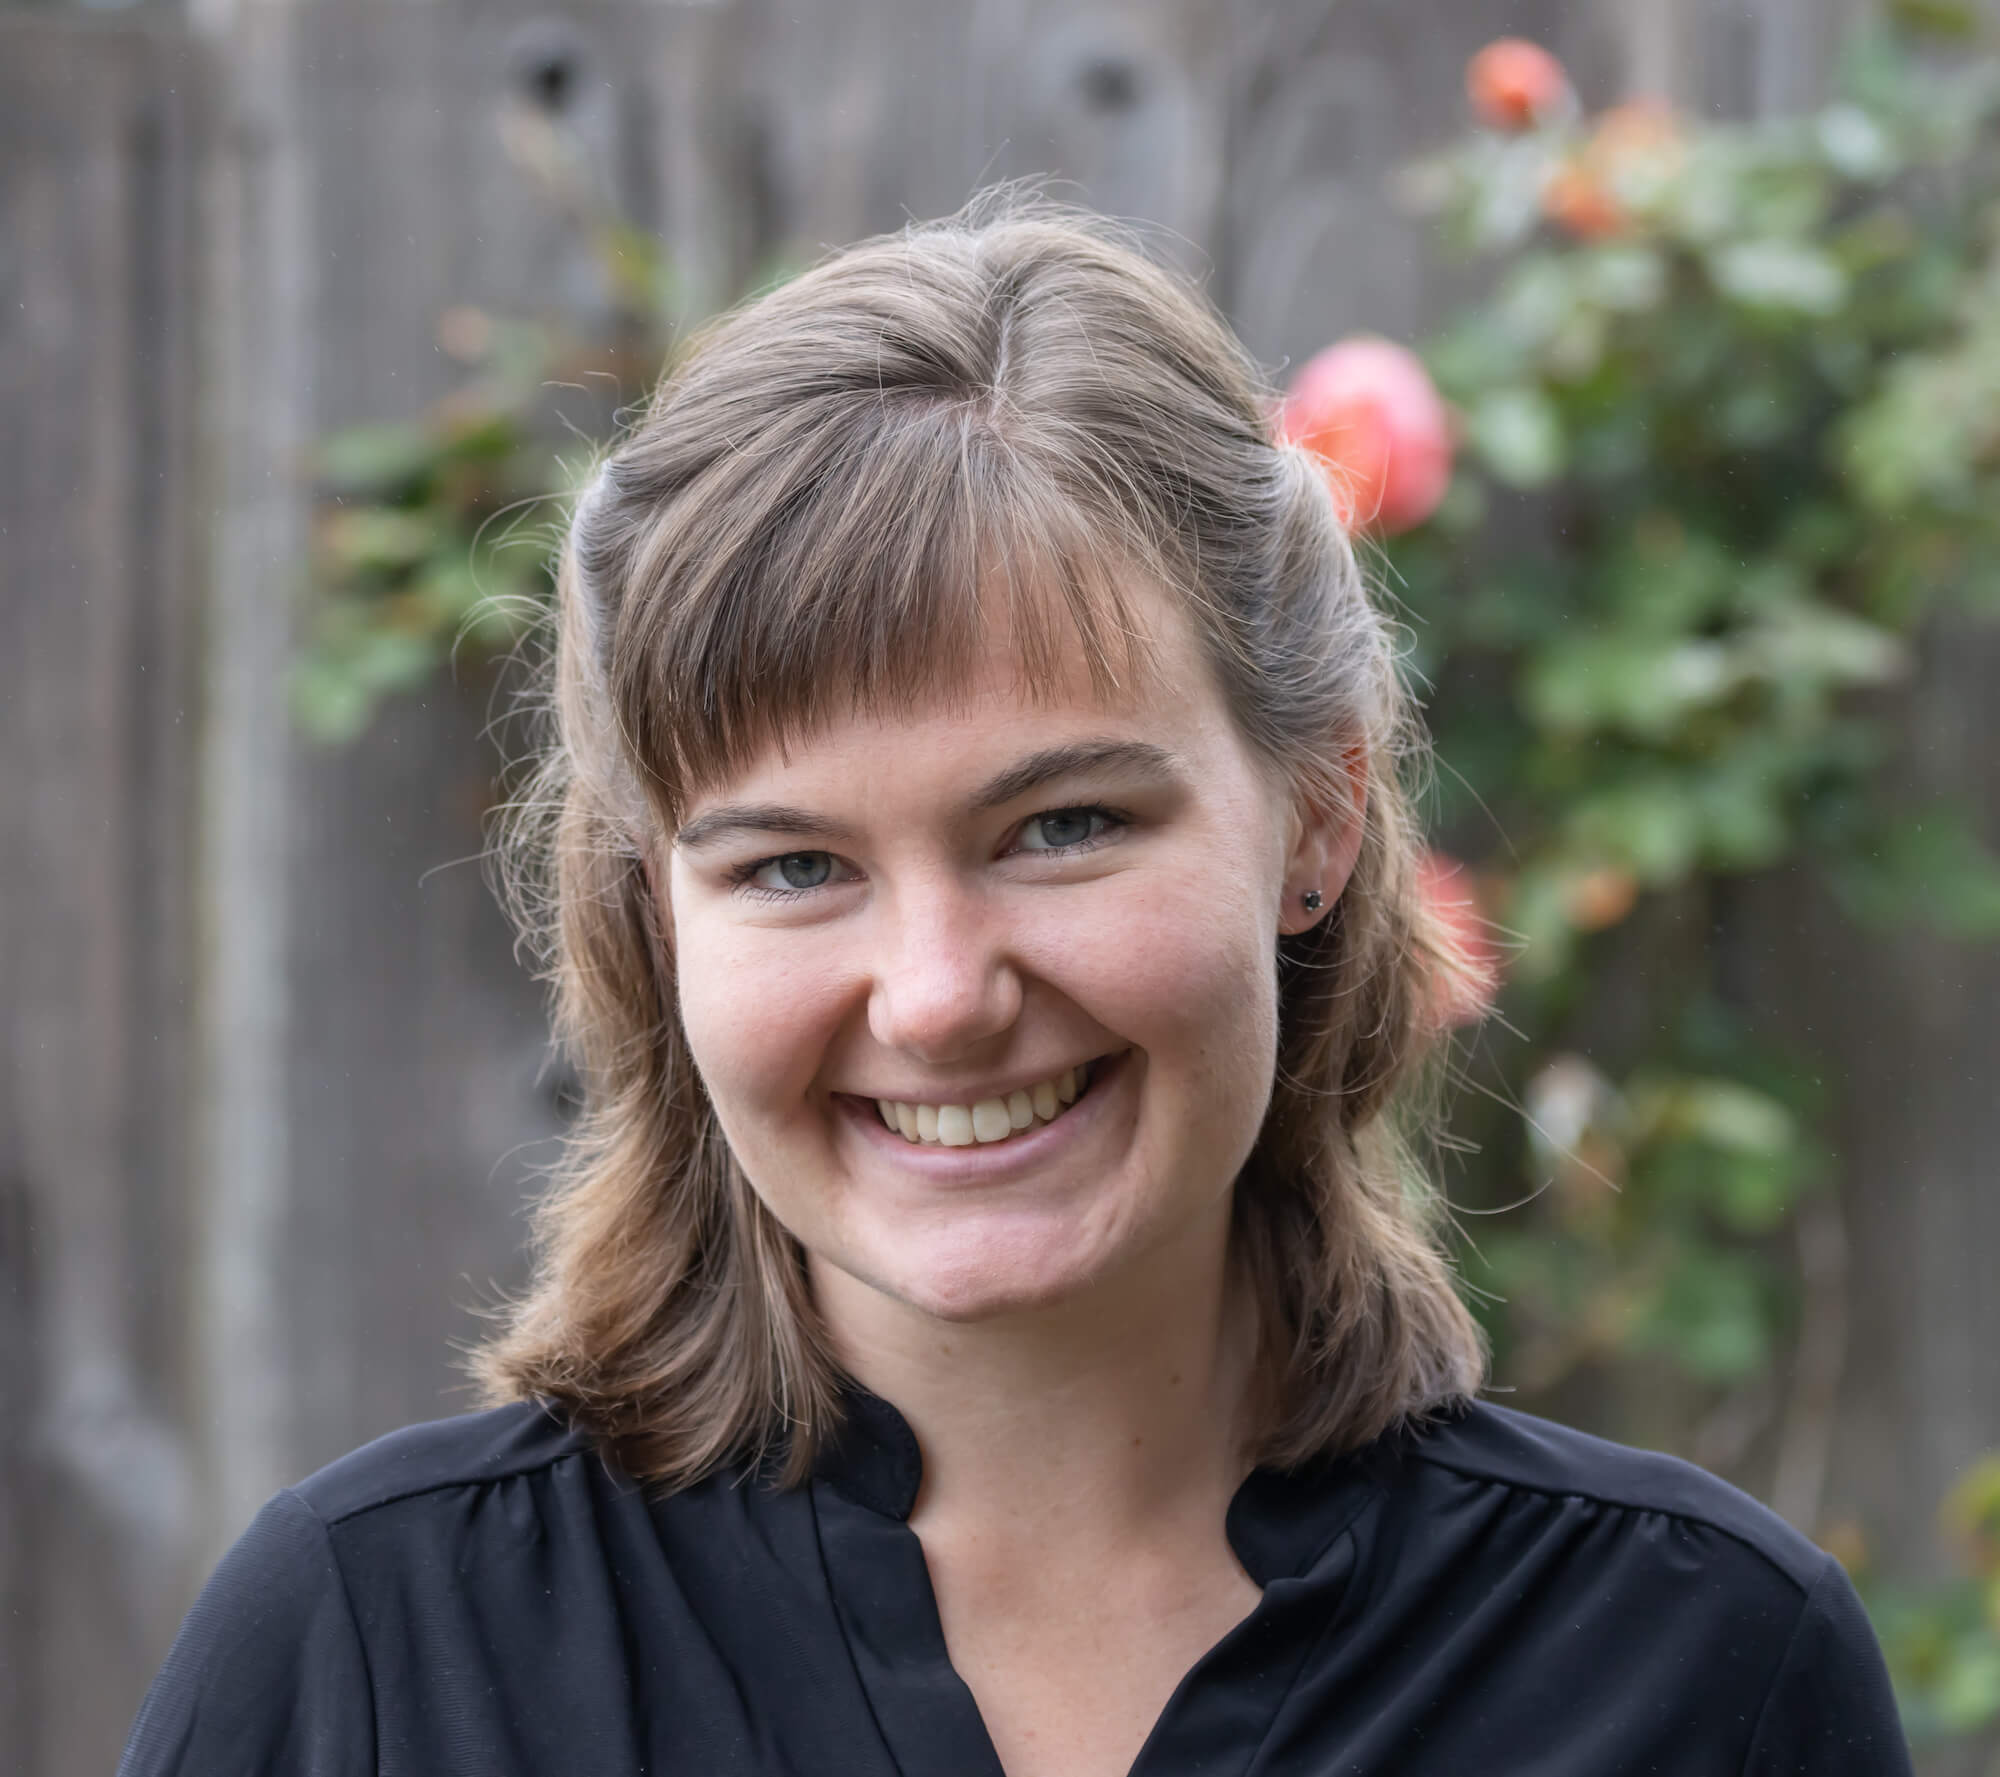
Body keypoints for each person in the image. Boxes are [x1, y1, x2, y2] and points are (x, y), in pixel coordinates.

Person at [120, 187, 1909, 1777]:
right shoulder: (371, 1661)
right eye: (795, 866)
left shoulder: (1699, 1674)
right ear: (658, 915)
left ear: (1320, 813)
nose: (937, 995)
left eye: (1059, 825)